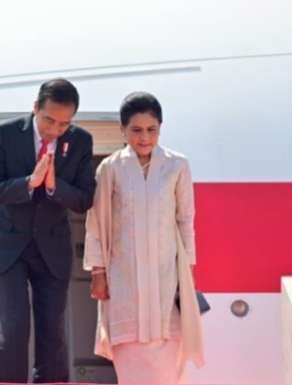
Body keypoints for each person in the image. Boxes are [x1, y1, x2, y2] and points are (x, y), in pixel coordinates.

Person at [0, 78, 96, 383]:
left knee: (52, 330)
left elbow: (84, 199)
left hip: (52, 248)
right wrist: (29, 182)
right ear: (35, 108)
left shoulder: (81, 141)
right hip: (9, 245)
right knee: (14, 327)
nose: (55, 129)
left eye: (64, 124)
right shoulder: (5, 133)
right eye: (49, 120)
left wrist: (55, 186)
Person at [83, 92, 205, 384]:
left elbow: (185, 219)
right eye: (136, 130)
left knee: (169, 355)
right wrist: (98, 272)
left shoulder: (177, 165)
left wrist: (187, 271)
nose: (144, 137)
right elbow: (96, 223)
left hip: (167, 277)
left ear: (160, 128)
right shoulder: (110, 168)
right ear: (122, 130)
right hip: (124, 278)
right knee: (131, 355)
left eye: (152, 129)